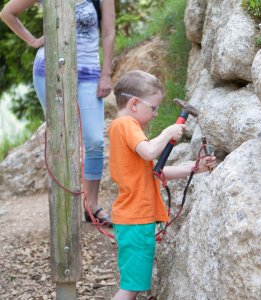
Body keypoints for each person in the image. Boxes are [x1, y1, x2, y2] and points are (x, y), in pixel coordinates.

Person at [0, 0, 116, 226]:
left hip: (89, 72)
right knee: (60, 139)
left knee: (94, 140)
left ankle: (91, 206)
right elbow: (7, 13)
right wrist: (33, 41)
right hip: (50, 71)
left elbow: (109, 33)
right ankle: (62, 205)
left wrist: (106, 74)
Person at [109, 70, 216, 300]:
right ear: (134, 104)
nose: (156, 114)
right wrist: (168, 132)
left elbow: (157, 171)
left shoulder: (126, 130)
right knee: (130, 288)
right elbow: (150, 152)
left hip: (136, 220)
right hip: (136, 220)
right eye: (153, 108)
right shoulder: (127, 124)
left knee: (133, 285)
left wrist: (195, 168)